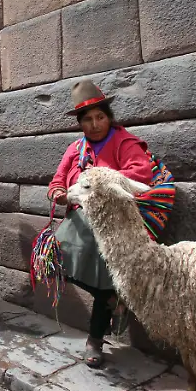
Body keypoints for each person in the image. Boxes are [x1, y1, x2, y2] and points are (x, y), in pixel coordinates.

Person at [48, 81, 159, 368]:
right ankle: (114, 302)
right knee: (57, 259)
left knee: (106, 281)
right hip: (81, 224)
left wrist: (99, 180)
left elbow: (140, 172)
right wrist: (59, 194)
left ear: (109, 117)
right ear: (80, 123)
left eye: (100, 117)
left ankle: (94, 340)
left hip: (114, 226)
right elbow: (58, 181)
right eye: (88, 119)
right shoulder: (75, 149)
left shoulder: (125, 142)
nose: (95, 124)